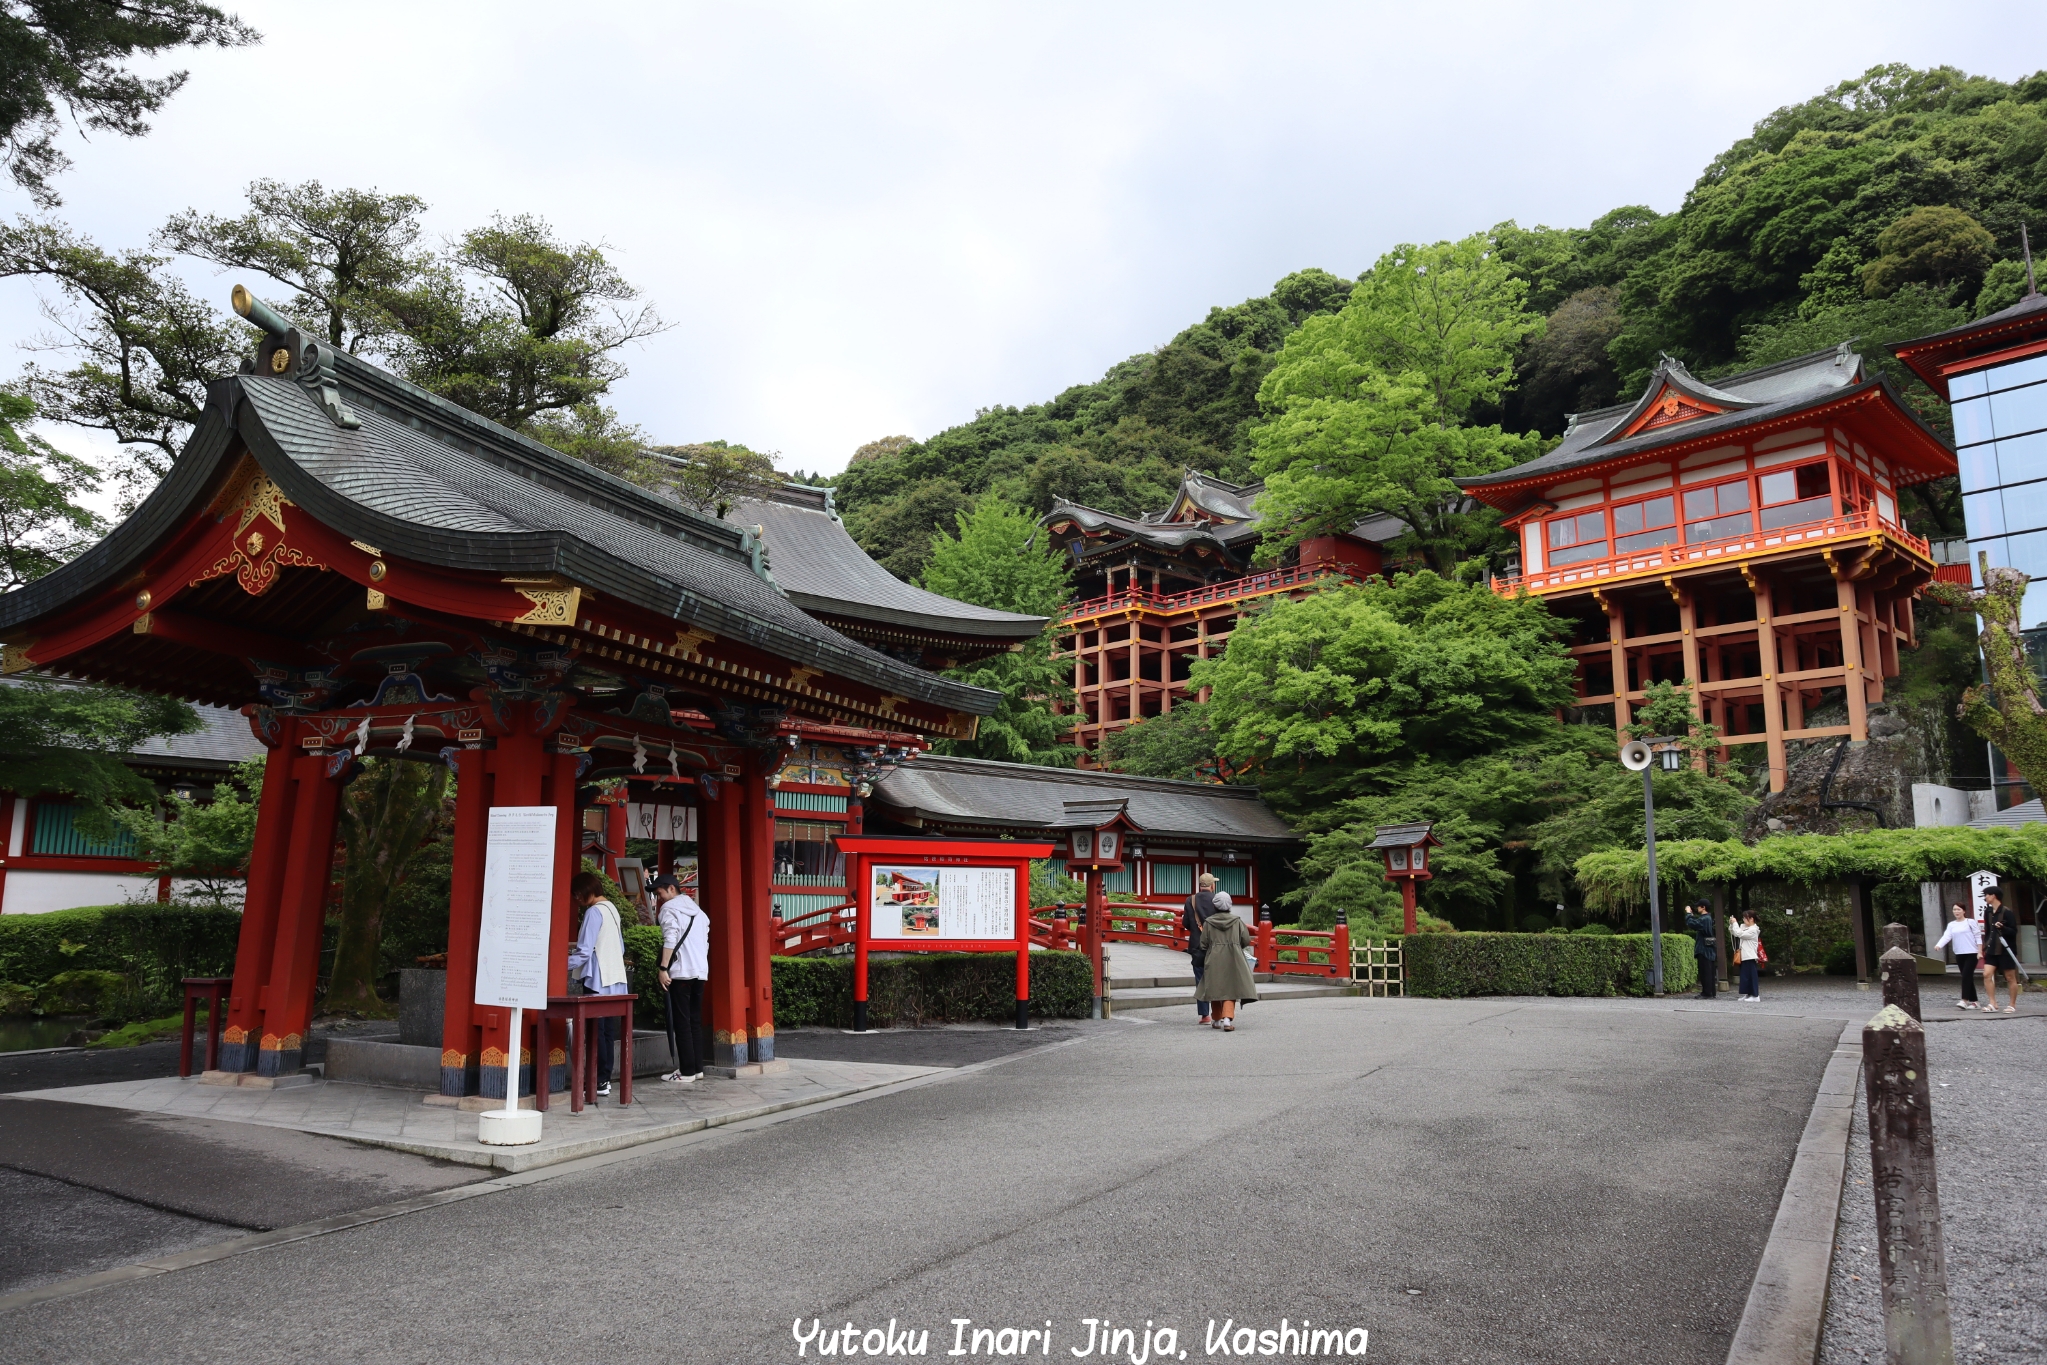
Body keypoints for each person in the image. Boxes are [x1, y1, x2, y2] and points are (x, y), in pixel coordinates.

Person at [566, 871, 631, 1097]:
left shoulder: (594, 912)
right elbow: (620, 947)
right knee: (606, 1032)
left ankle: (598, 1081)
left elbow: (584, 951)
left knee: (595, 1031)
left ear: (585, 891)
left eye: (577, 894)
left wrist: (559, 964)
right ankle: (605, 1079)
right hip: (616, 977)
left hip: (598, 978)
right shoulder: (611, 908)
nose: (576, 899)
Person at [653, 872, 708, 1081]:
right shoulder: (699, 913)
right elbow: (705, 942)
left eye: (660, 893)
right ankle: (697, 1068)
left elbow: (670, 938)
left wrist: (663, 967)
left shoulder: (669, 909)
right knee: (694, 1020)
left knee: (682, 1022)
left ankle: (686, 1072)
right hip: (700, 972)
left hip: (681, 972)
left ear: (671, 888)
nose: (659, 899)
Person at [1195, 891, 1258, 1031]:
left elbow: (1203, 944)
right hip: (1234, 957)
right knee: (1231, 987)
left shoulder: (1209, 923)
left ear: (1215, 906)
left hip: (1214, 957)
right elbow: (1246, 940)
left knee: (1216, 986)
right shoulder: (1237, 921)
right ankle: (1227, 1019)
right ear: (1229, 905)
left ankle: (1216, 1019)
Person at [1183, 872, 1221, 1024]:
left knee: (1200, 979)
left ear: (1200, 886)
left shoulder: (1190, 900)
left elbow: (1185, 923)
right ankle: (1218, 1012)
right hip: (1215, 945)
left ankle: (1205, 1015)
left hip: (1197, 945)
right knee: (1217, 978)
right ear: (1212, 885)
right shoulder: (1217, 900)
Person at [1980, 889, 2024, 1014]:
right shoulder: (1988, 911)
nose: (1985, 897)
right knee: (1986, 974)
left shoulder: (2007, 912)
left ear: (1993, 896)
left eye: (1986, 895)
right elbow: (1988, 930)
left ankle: (2012, 1004)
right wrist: (1985, 945)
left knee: (2010, 977)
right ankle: (1992, 1003)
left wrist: (2003, 928)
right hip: (1991, 948)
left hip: (2005, 949)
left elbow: (2013, 931)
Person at [1932, 902, 1982, 1010]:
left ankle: (1964, 1000)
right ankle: (1975, 1002)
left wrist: (1980, 951)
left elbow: (1978, 937)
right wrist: (1939, 945)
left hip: (1972, 953)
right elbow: (1947, 936)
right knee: (1967, 976)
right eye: (1954, 910)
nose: (1956, 912)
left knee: (1966, 976)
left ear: (1964, 911)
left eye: (1959, 909)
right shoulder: (1951, 925)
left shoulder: (1970, 922)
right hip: (1959, 953)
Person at [1684, 901, 1718, 999]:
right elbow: (1697, 923)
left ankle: (1707, 993)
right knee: (1709, 971)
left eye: (1698, 906)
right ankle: (1710, 992)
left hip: (1704, 949)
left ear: (1703, 907)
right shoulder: (1708, 918)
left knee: (1705, 971)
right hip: (1708, 949)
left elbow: (1692, 924)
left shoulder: (1705, 918)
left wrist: (1689, 914)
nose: (1697, 908)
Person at [1729, 909, 1762, 1002]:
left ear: (1751, 919)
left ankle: (1755, 995)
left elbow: (1739, 934)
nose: (1743, 919)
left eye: (1745, 917)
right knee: (1745, 976)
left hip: (1750, 956)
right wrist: (1732, 924)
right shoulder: (1744, 927)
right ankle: (1748, 994)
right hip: (1744, 955)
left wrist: (1735, 923)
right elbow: (1735, 932)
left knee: (1751, 976)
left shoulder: (1754, 930)